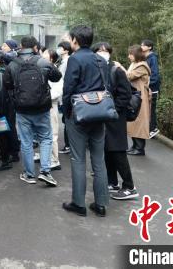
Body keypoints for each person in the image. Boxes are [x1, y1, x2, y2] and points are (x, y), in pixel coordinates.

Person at [61, 25, 109, 217]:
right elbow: (107, 87)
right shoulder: (101, 60)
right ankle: (101, 204)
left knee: (78, 159)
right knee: (99, 159)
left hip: (79, 115)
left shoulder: (75, 59)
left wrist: (67, 112)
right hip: (99, 114)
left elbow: (68, 89)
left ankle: (79, 203)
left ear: (75, 40)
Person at [4, 36, 62, 187]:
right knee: (46, 138)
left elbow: (7, 84)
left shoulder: (13, 64)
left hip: (22, 110)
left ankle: (29, 175)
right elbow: (57, 77)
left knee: (26, 141)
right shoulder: (42, 61)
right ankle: (45, 172)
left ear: (21, 46)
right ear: (35, 46)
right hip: (42, 108)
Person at [92, 42, 139, 200]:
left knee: (118, 151)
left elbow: (125, 95)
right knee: (107, 150)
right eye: (99, 50)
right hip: (103, 116)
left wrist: (113, 110)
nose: (103, 53)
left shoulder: (116, 70)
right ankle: (112, 182)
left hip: (115, 117)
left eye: (105, 51)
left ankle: (129, 186)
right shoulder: (97, 69)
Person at [119, 45, 151, 156]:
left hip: (140, 97)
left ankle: (140, 148)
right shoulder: (135, 64)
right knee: (133, 121)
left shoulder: (142, 66)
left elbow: (129, 76)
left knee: (139, 122)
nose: (129, 56)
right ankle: (134, 146)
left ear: (136, 55)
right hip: (134, 95)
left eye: (130, 54)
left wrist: (120, 67)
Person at [42, 49, 62, 171]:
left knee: (53, 133)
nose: (42, 57)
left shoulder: (55, 71)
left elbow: (58, 91)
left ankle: (55, 160)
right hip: (44, 105)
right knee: (44, 133)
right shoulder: (44, 69)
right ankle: (47, 157)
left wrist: (44, 97)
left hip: (51, 105)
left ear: (51, 59)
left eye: (45, 56)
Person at [141, 39, 161, 139]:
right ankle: (149, 128)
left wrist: (148, 84)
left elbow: (155, 75)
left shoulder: (152, 58)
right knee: (146, 109)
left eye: (143, 45)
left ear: (149, 47)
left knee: (151, 109)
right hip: (146, 88)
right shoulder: (145, 58)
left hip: (152, 88)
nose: (141, 47)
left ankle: (153, 129)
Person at [57, 40, 72, 155]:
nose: (59, 49)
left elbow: (63, 78)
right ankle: (68, 145)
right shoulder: (63, 61)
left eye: (60, 47)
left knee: (67, 120)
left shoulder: (67, 61)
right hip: (63, 94)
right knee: (66, 120)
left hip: (65, 94)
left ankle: (68, 145)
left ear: (66, 50)